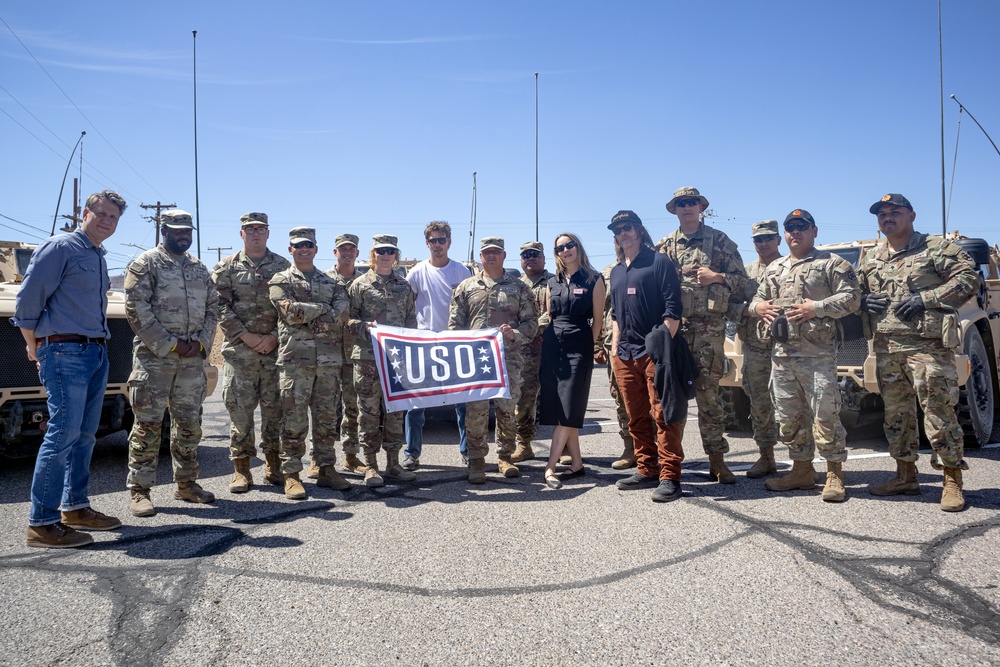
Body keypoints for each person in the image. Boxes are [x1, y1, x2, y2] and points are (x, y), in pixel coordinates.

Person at [14, 190, 126, 548]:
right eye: (102, 213)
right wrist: (34, 346)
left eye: (114, 217)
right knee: (62, 434)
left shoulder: (98, 255)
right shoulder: (60, 247)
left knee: (85, 435)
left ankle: (74, 508)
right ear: (85, 213)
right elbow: (29, 299)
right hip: (63, 351)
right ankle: (41, 523)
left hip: (95, 351)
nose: (107, 221)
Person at [858, 193, 979, 511]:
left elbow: (968, 278)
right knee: (896, 416)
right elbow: (856, 290)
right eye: (882, 214)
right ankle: (905, 476)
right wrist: (861, 301)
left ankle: (952, 480)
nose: (887, 218)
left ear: (911, 215)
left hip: (928, 348)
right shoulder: (871, 256)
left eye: (894, 212)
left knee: (939, 413)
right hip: (886, 348)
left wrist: (927, 298)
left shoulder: (936, 248)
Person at [749, 209, 860, 502]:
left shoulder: (832, 264)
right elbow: (757, 300)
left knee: (825, 414)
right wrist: (758, 309)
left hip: (817, 355)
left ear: (814, 231)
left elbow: (852, 297)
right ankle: (801, 471)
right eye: (790, 228)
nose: (795, 232)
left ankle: (834, 474)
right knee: (789, 417)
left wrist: (817, 307)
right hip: (781, 355)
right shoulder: (775, 268)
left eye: (801, 227)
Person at [124, 209, 218, 517]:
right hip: (155, 360)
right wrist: (170, 344)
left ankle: (187, 485)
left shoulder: (200, 269)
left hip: (191, 362)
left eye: (188, 230)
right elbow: (135, 308)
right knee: (148, 426)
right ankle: (140, 491)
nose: (184, 234)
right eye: (177, 230)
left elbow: (212, 311)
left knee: (189, 426)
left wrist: (202, 343)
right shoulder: (146, 263)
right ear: (164, 230)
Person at [657, 186, 748, 484]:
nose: (687, 207)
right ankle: (672, 465)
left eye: (692, 202)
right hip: (676, 334)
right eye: (681, 203)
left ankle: (717, 462)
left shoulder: (720, 241)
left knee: (710, 400)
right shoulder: (665, 246)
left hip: (709, 335)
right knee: (674, 399)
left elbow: (744, 284)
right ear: (675, 209)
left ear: (701, 207)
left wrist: (717, 277)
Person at [608, 211, 686, 503]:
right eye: (618, 229)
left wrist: (661, 345)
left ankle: (670, 476)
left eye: (628, 227)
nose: (623, 232)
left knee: (663, 415)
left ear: (639, 230)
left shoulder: (658, 261)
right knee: (636, 416)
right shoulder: (616, 271)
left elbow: (673, 307)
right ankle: (646, 468)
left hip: (654, 353)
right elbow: (615, 314)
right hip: (625, 355)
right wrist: (615, 348)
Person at [268, 227, 351, 499]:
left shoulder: (331, 283)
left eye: (309, 245)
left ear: (316, 249)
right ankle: (291, 474)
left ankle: (327, 468)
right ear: (290, 250)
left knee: (327, 419)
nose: (304, 249)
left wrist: (310, 311)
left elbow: (341, 314)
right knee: (293, 419)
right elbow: (288, 312)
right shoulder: (281, 279)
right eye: (298, 246)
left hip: (328, 362)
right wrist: (322, 309)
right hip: (296, 362)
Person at [211, 211, 290, 494]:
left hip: (273, 351)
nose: (255, 233)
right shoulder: (226, 267)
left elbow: (290, 308)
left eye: (261, 229)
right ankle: (242, 470)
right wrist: (245, 335)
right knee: (240, 414)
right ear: (241, 233)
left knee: (275, 413)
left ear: (268, 233)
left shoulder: (283, 266)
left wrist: (272, 337)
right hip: (240, 352)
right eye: (250, 229)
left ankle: (273, 465)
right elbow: (218, 306)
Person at [449, 237, 537, 483]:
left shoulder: (519, 288)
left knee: (507, 410)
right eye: (487, 252)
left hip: (508, 359)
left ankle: (505, 456)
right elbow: (454, 325)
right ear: (480, 256)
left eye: (496, 252)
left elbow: (532, 323)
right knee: (476, 411)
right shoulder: (466, 287)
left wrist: (515, 334)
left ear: (504, 255)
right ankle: (477, 461)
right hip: (475, 362)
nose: (491, 256)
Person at [347, 234, 418, 487]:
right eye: (381, 251)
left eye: (390, 251)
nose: (386, 255)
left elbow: (411, 321)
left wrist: (412, 348)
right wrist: (363, 326)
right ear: (373, 254)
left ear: (396, 255)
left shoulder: (404, 286)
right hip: (367, 357)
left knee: (395, 412)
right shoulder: (359, 285)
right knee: (367, 413)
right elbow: (348, 319)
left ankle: (393, 463)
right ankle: (370, 465)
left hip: (396, 359)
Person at [402, 221, 471, 469]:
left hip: (456, 346)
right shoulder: (417, 272)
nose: (438, 245)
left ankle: (467, 451)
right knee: (416, 405)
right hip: (425, 346)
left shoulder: (462, 272)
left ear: (449, 242)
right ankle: (411, 453)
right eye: (433, 240)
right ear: (426, 243)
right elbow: (406, 306)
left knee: (463, 405)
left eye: (442, 240)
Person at [538, 233, 605, 489]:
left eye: (569, 245)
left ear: (578, 247)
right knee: (561, 405)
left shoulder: (593, 279)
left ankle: (550, 467)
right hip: (553, 344)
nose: (565, 250)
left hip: (579, 344)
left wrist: (589, 346)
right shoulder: (551, 282)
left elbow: (597, 320)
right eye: (560, 248)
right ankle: (576, 464)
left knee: (568, 404)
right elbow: (549, 316)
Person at [305, 233, 366, 479]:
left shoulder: (364, 282)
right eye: (343, 249)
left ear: (357, 253)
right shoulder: (323, 280)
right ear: (335, 252)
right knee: (324, 408)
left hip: (354, 353)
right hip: (327, 352)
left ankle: (351, 456)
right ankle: (317, 458)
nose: (347, 253)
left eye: (351, 249)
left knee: (353, 407)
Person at [730, 220, 782, 478]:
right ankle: (766, 457)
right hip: (756, 346)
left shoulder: (792, 267)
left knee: (799, 405)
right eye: (758, 239)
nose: (764, 243)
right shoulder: (745, 273)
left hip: (790, 347)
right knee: (760, 403)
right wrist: (751, 310)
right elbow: (729, 306)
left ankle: (802, 462)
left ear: (779, 240)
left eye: (769, 238)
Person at [511, 241, 554, 463]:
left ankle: (564, 446)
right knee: (525, 398)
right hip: (526, 352)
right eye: (526, 255)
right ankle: (524, 444)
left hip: (552, 347)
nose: (530, 258)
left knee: (557, 398)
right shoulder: (516, 285)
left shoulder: (555, 281)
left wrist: (535, 330)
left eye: (535, 255)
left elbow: (552, 311)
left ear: (544, 258)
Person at [596, 261, 637, 470]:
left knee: (652, 401)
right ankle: (630, 449)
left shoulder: (652, 265)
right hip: (616, 345)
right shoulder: (608, 273)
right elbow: (599, 309)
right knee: (622, 399)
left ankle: (652, 449)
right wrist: (597, 345)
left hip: (645, 343)